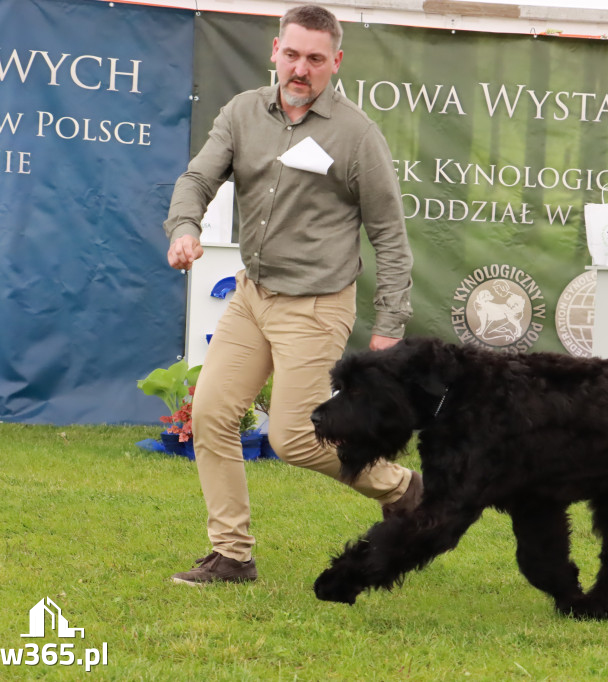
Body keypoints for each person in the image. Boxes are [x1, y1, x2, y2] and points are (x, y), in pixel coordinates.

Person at [163, 5, 422, 585]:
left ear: (336, 62)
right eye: (292, 54)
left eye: (314, 58)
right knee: (209, 415)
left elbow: (389, 235)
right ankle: (232, 555)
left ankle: (405, 489)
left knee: (296, 438)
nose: (299, 69)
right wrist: (185, 227)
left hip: (316, 304)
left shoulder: (357, 136)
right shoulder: (242, 112)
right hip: (253, 297)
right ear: (274, 50)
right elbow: (199, 178)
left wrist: (390, 323)